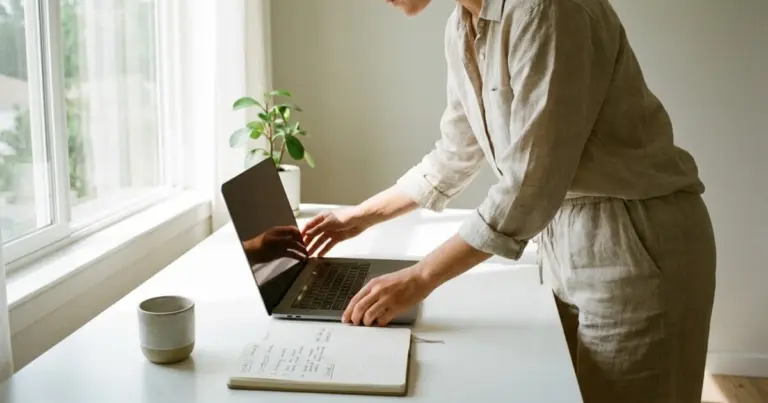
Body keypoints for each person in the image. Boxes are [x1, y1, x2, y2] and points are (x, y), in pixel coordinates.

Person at [301, 0, 717, 402]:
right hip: (563, 239)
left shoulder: (549, 9)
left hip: (634, 242)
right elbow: (453, 155)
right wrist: (356, 218)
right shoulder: (461, 27)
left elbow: (528, 185)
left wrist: (420, 278)